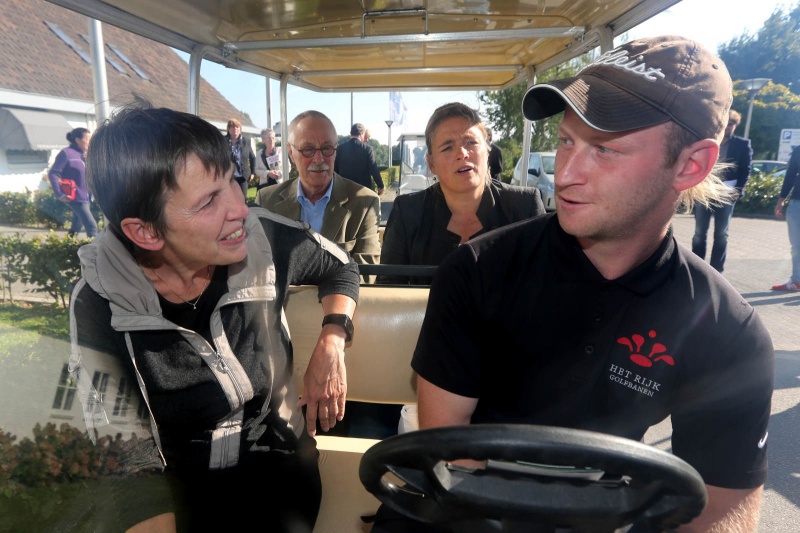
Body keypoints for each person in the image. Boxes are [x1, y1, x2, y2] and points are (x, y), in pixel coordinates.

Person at [375, 36, 775, 533]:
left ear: (691, 164)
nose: (565, 174)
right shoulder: (477, 271)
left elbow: (722, 510)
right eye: (566, 140)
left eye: (605, 149)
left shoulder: (727, 331)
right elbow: (452, 456)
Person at [69, 105, 360, 533]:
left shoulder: (263, 238)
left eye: (231, 181)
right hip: (182, 496)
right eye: (208, 200)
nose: (240, 209)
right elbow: (129, 461)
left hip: (280, 473)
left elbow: (342, 266)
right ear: (146, 233)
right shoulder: (98, 302)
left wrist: (333, 340)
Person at [379, 102, 546, 286]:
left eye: (471, 142)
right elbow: (387, 288)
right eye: (447, 147)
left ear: (488, 151)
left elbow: (547, 284)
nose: (462, 153)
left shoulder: (525, 206)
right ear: (431, 163)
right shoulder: (407, 212)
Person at [257, 111, 381, 268]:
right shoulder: (267, 200)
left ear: (336, 151)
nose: (318, 159)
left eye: (327, 148)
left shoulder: (365, 203)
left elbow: (367, 272)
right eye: (308, 149)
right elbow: (257, 267)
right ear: (291, 153)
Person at [691, 109, 752, 272]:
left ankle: (716, 270)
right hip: (706, 191)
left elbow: (746, 170)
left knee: (721, 234)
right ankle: (697, 267)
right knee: (699, 233)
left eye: (732, 124)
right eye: (726, 123)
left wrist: (739, 190)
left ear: (735, 126)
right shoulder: (708, 141)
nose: (728, 126)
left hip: (727, 192)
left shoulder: (743, 144)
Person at [48, 127, 98, 238]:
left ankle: (68, 246)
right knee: (92, 227)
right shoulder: (66, 154)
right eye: (88, 139)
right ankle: (96, 254)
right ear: (77, 140)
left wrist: (88, 159)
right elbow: (53, 173)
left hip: (87, 196)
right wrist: (59, 193)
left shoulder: (85, 154)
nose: (90, 142)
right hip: (76, 197)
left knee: (76, 225)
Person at [771, 144, 800, 291]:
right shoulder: (798, 150)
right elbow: (790, 175)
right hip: (796, 203)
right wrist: (781, 200)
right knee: (796, 245)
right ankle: (797, 281)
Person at [334, 122, 385, 195]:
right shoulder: (367, 149)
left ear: (351, 133)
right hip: (363, 191)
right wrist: (380, 185)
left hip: (344, 190)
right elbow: (373, 169)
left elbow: (335, 170)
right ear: (361, 133)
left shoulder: (340, 148)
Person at [225, 118, 256, 198]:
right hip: (229, 177)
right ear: (228, 129)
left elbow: (252, 158)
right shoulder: (223, 141)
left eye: (237, 127)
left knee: (242, 200)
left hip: (243, 176)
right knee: (230, 200)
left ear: (240, 129)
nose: (235, 129)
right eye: (232, 127)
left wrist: (253, 172)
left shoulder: (246, 141)